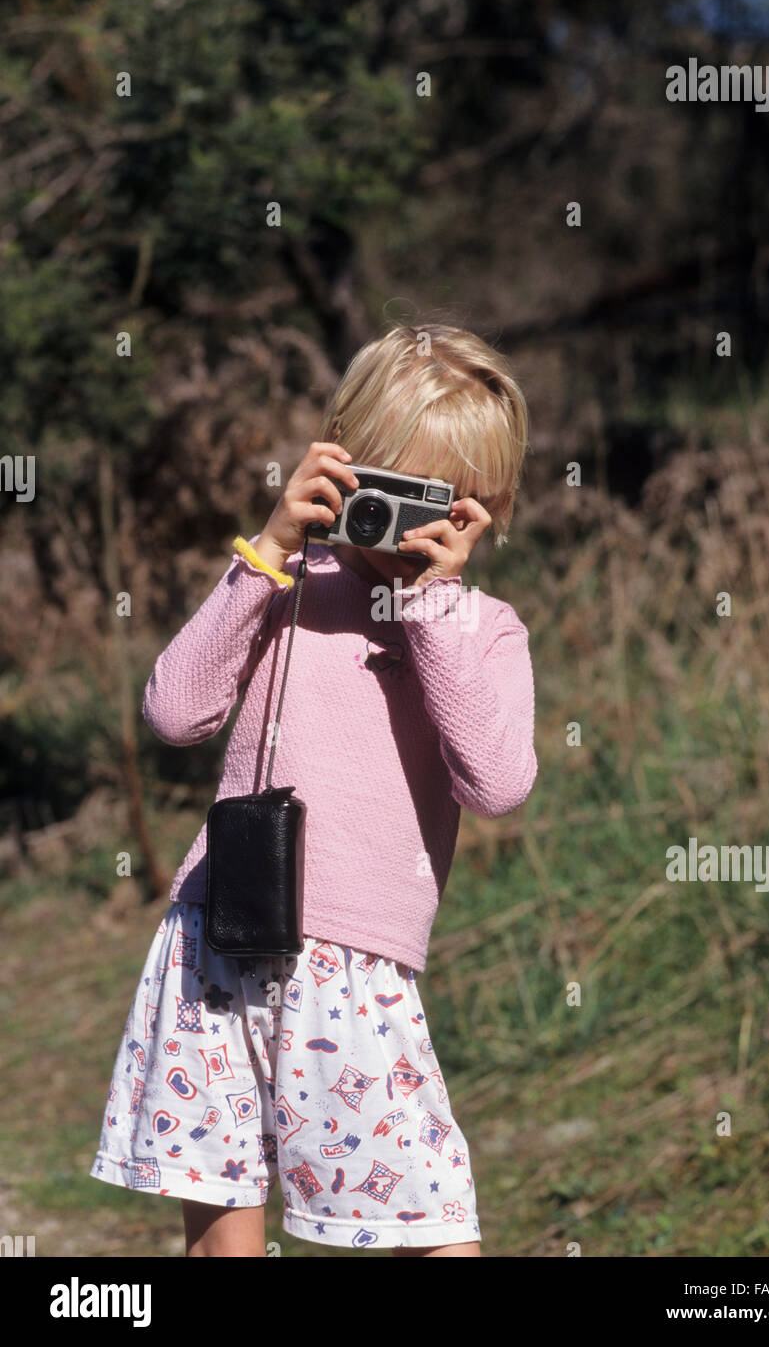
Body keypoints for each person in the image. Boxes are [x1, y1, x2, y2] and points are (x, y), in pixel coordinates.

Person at [89, 322, 537, 1256]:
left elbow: (495, 784)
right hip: (217, 941)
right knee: (223, 1238)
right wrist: (265, 550)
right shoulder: (282, 580)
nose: (406, 525)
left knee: (432, 1229)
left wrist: (428, 607)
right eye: (390, 491)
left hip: (357, 976)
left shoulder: (479, 627)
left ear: (484, 508)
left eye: (439, 501)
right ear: (343, 464)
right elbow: (174, 714)